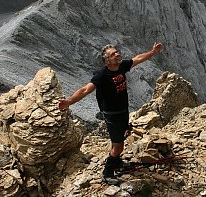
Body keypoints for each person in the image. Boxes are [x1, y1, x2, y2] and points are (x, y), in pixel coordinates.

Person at [58, 42, 163, 183]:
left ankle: (117, 162)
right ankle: (107, 173)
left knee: (121, 139)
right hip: (112, 114)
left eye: (117, 52)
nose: (117, 54)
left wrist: (153, 52)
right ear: (107, 60)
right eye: (113, 54)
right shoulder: (102, 75)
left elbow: (138, 59)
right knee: (118, 145)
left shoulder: (121, 66)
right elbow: (85, 90)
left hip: (123, 111)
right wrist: (69, 102)